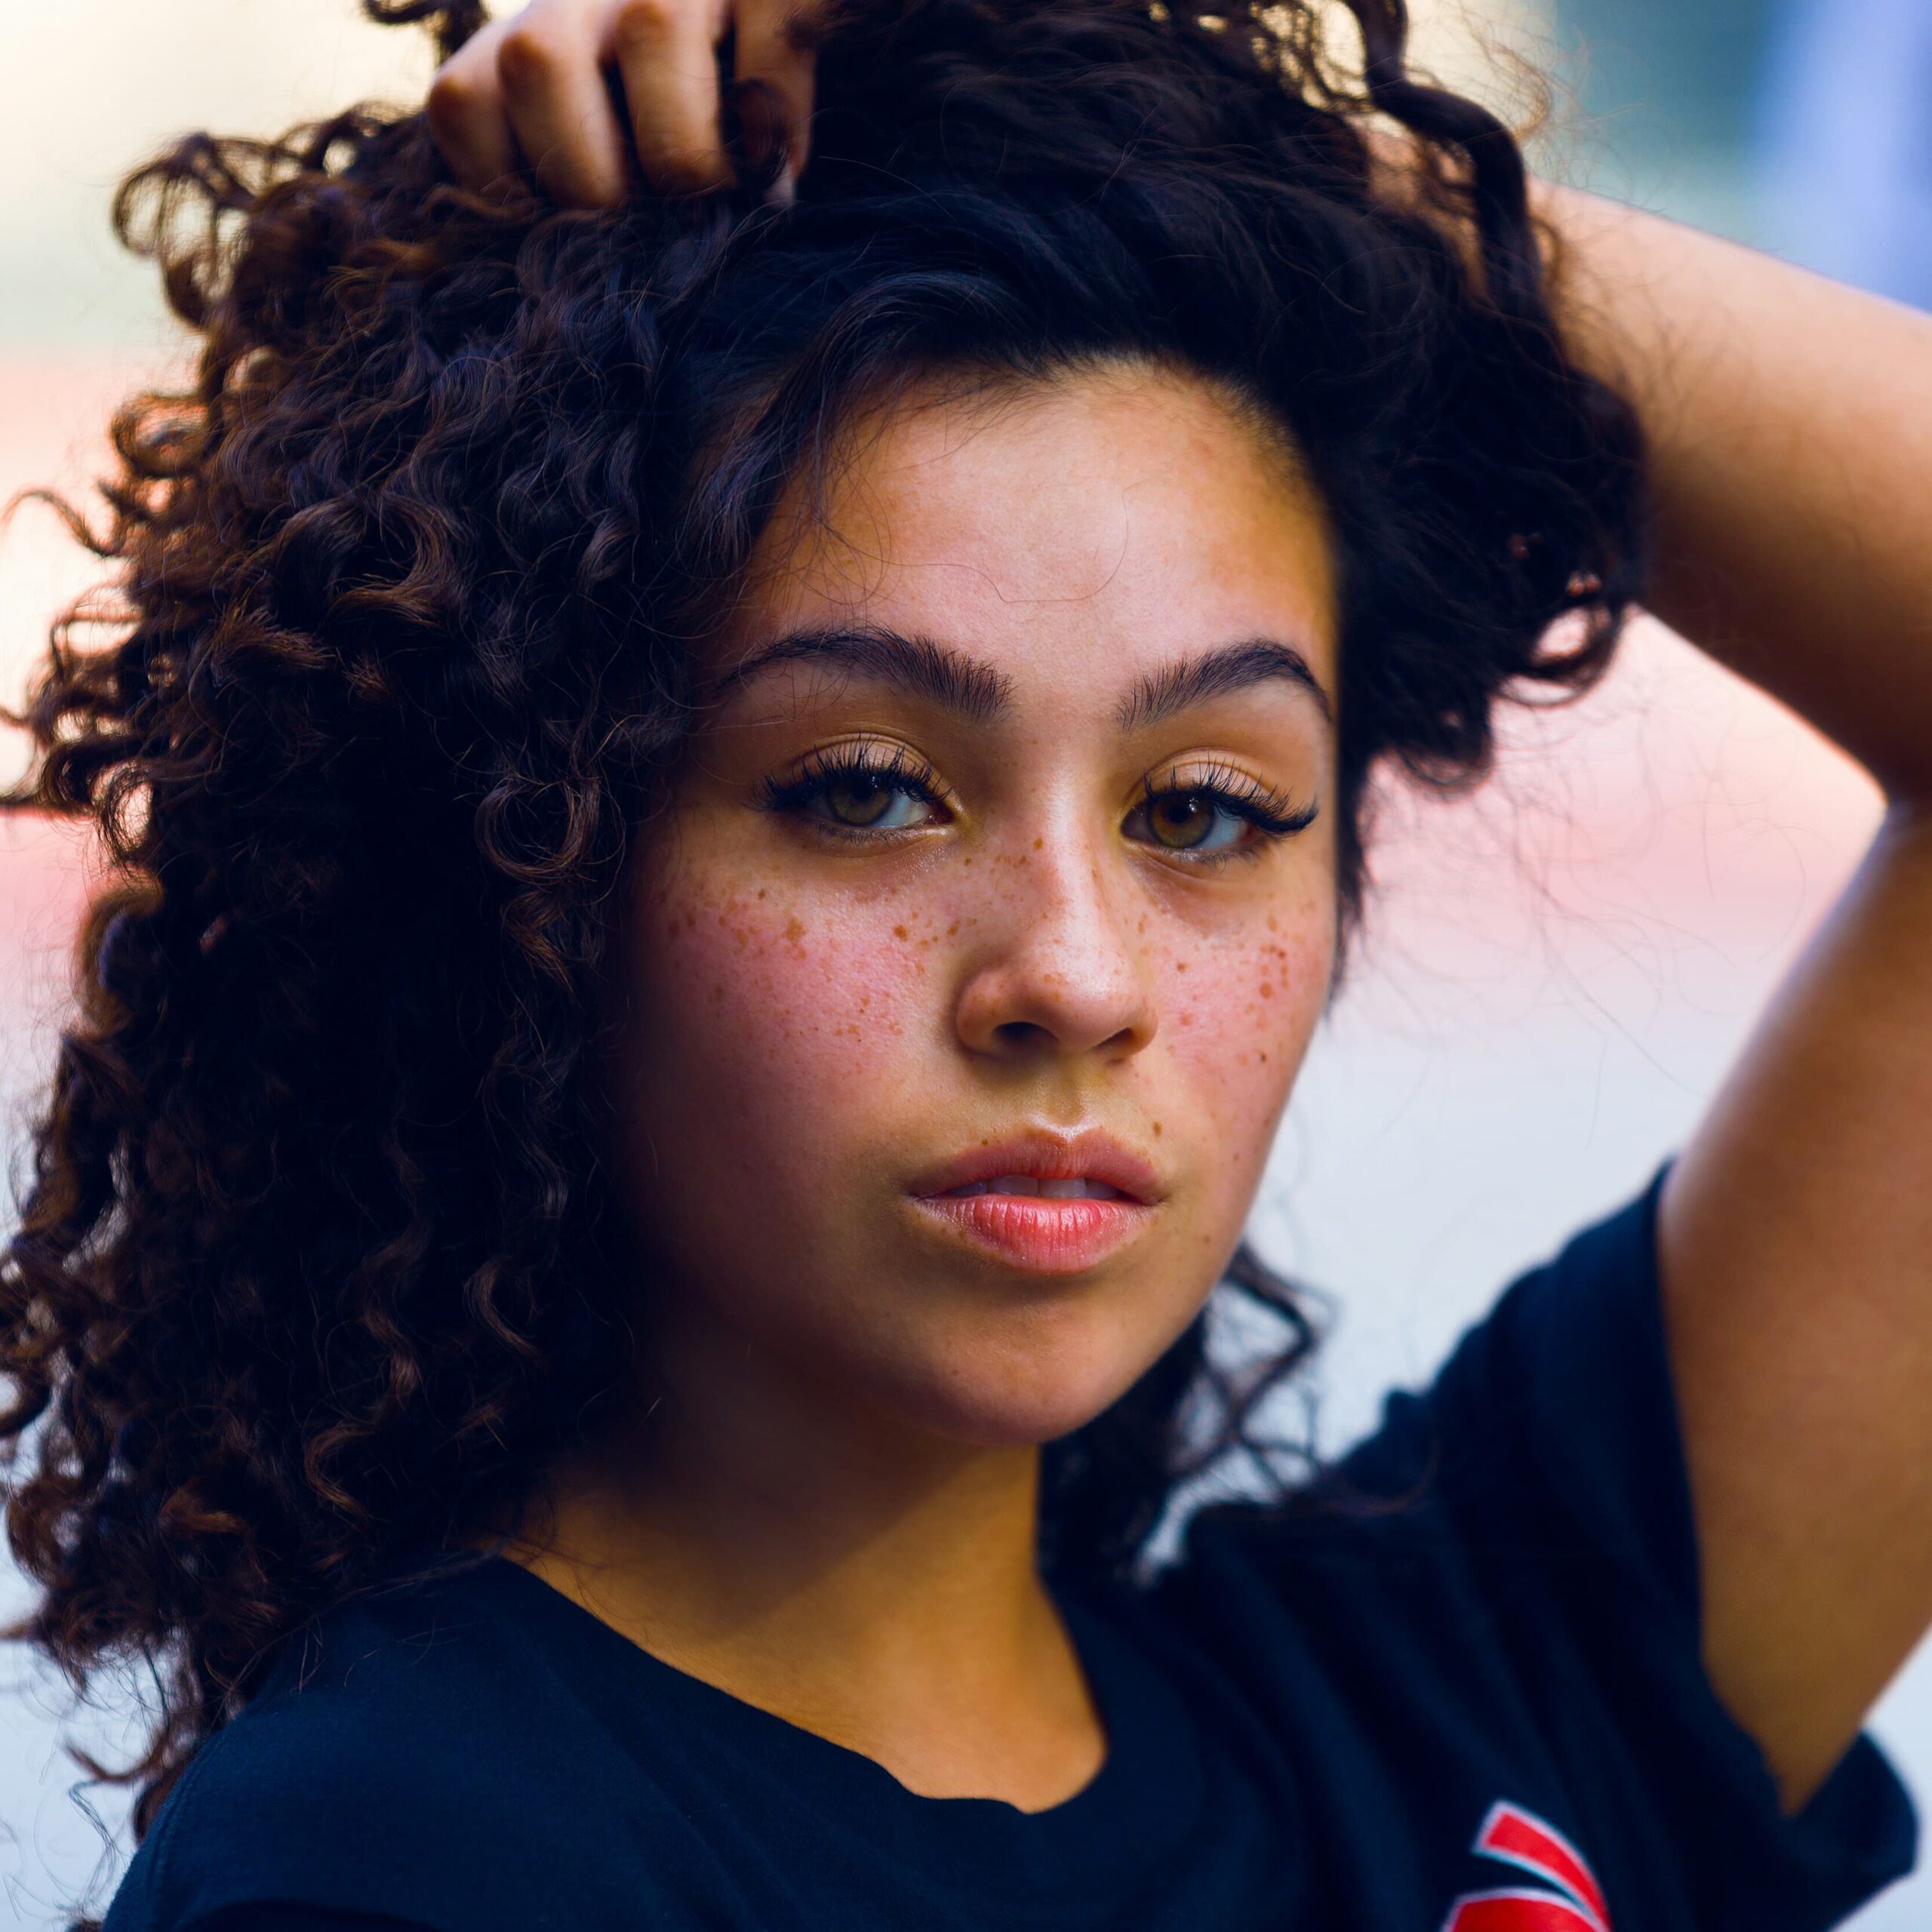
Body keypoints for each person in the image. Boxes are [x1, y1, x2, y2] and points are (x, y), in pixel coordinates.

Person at [2, 0, 1927, 1925]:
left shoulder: (1470, 1702)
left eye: (1199, 809)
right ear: (527, 863)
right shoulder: (415, 1857)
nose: (1075, 975)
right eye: (864, 788)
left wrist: (1271, 160)